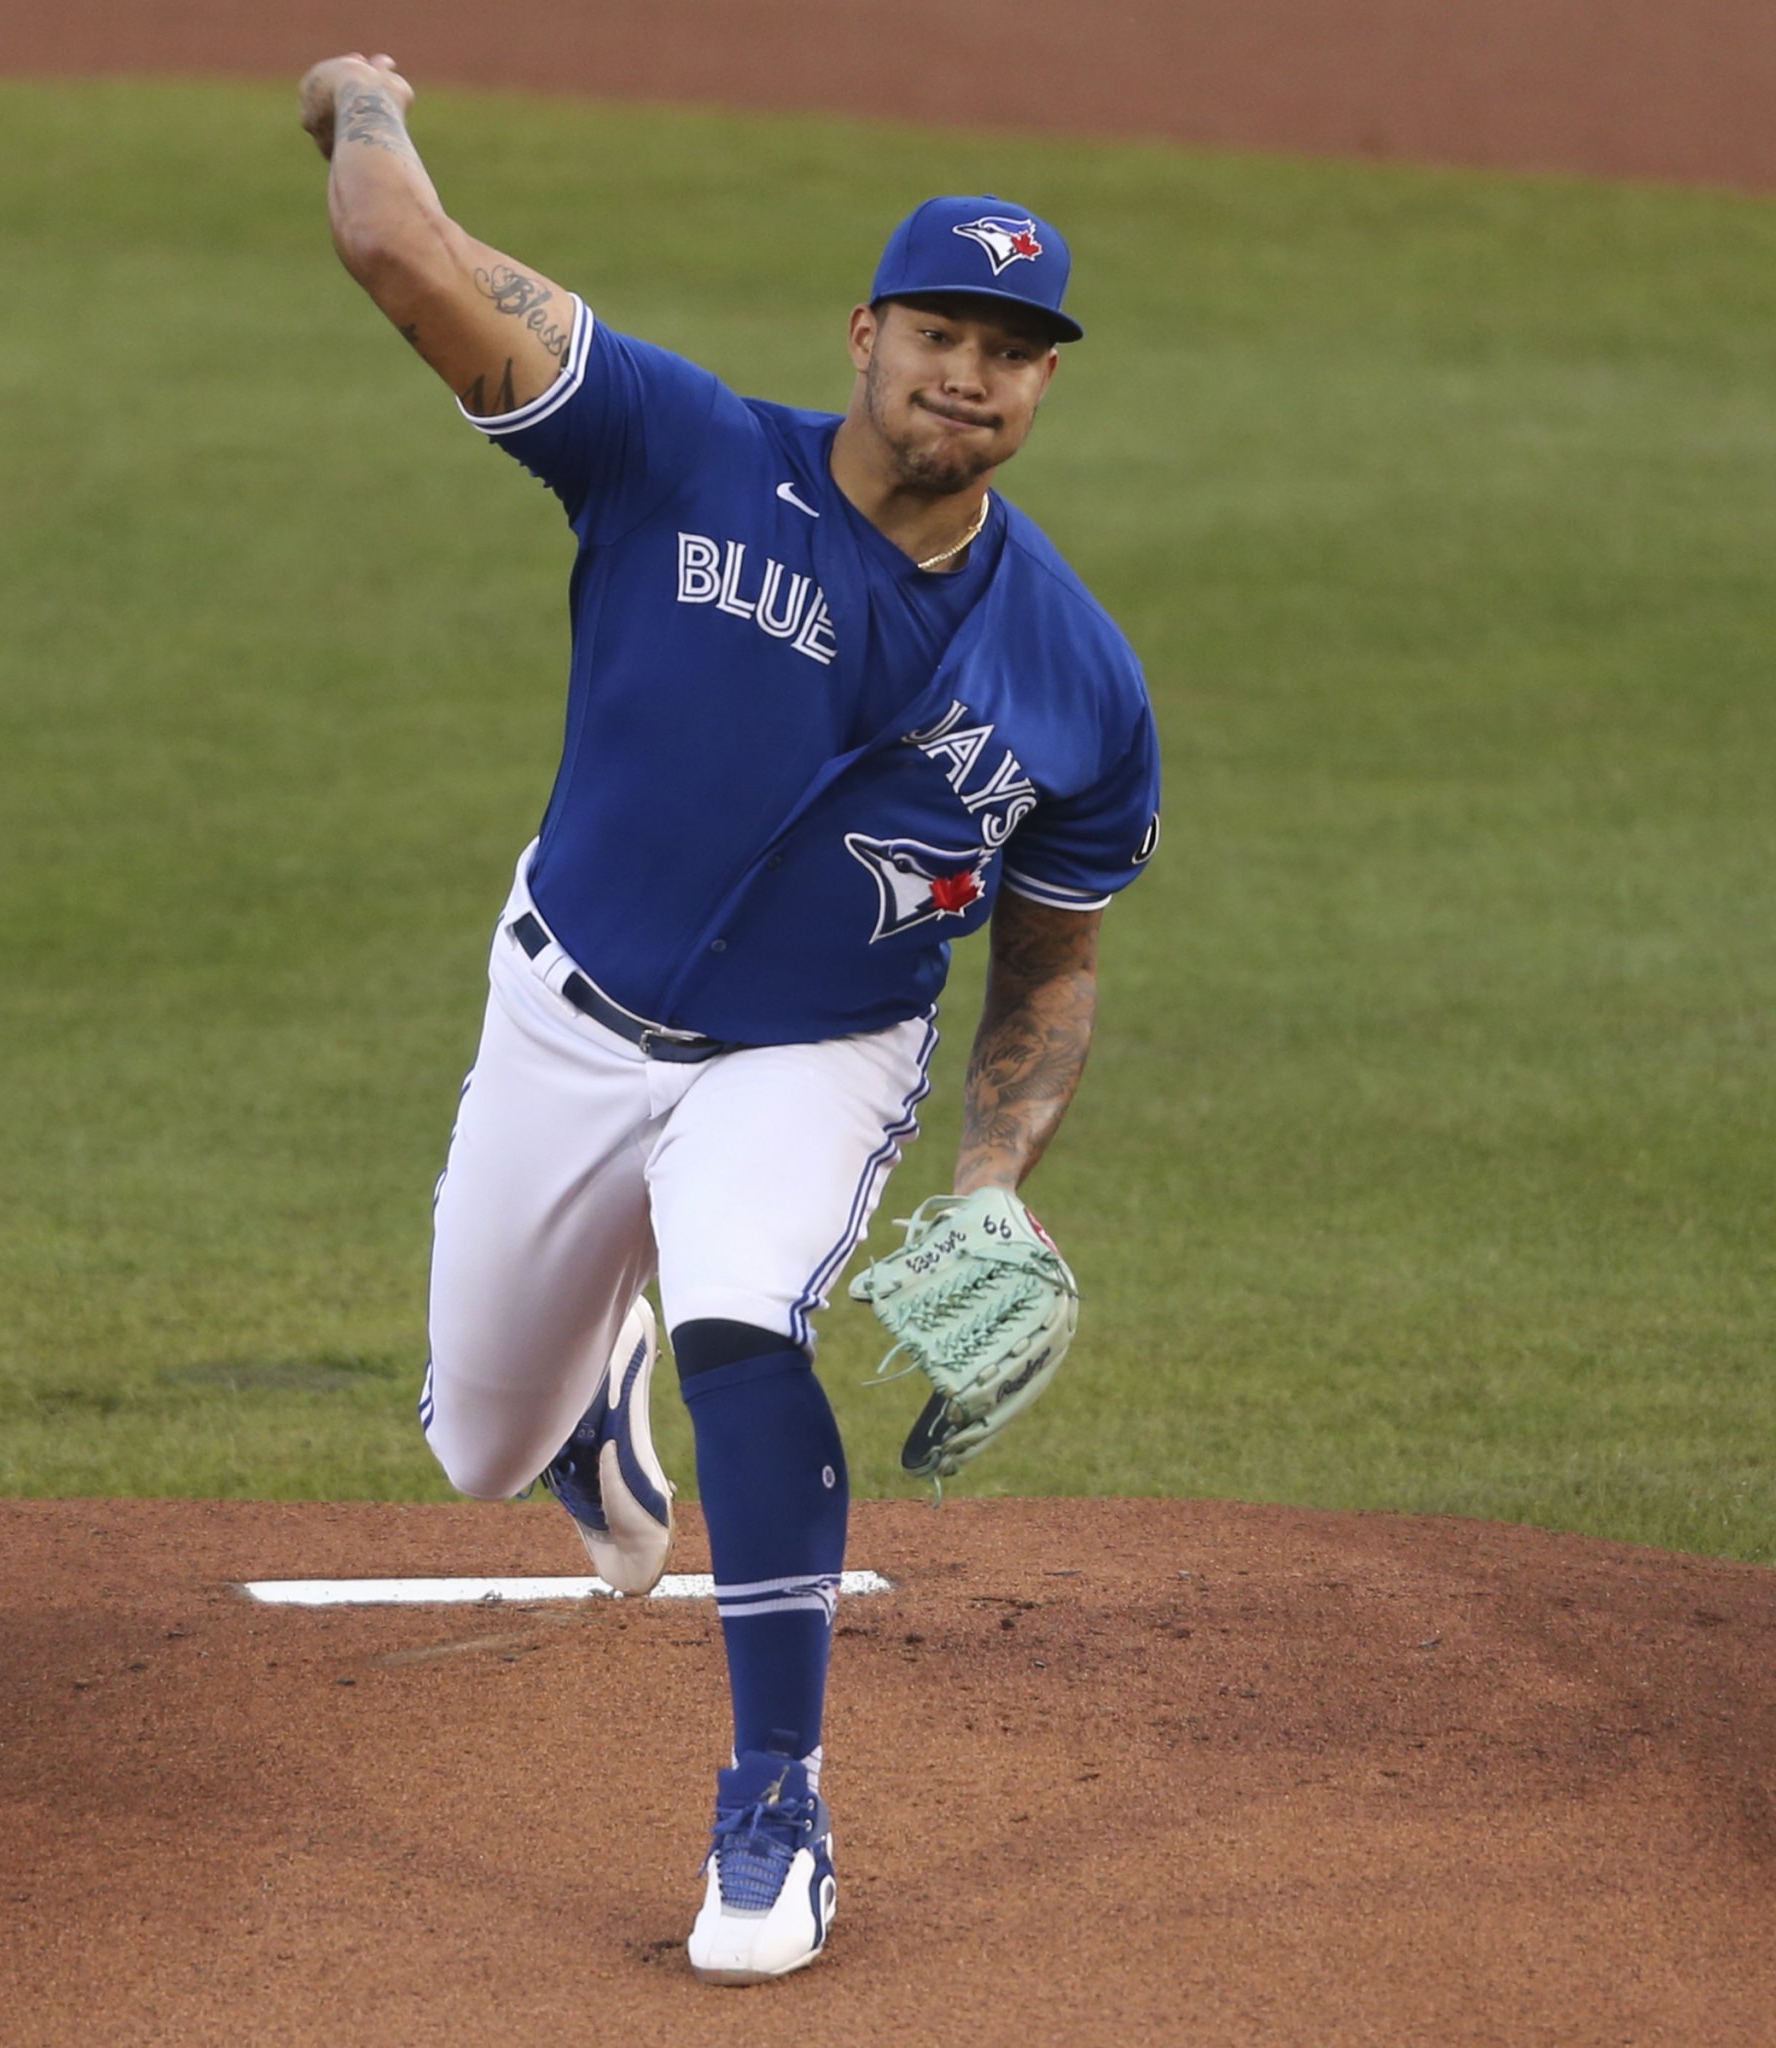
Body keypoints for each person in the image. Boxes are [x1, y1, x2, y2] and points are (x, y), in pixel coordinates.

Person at [300, 52, 1161, 1985]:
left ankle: (777, 1801)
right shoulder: (679, 449)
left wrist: (1002, 1177)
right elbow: (396, 243)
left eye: (1014, 351)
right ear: (865, 334)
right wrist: (361, 98)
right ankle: (584, 1419)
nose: (970, 373)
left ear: (1045, 386)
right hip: (565, 1014)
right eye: (941, 329)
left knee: (744, 1328)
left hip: (818, 1047)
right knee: (477, 1438)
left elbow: (1052, 959)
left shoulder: (1081, 686)